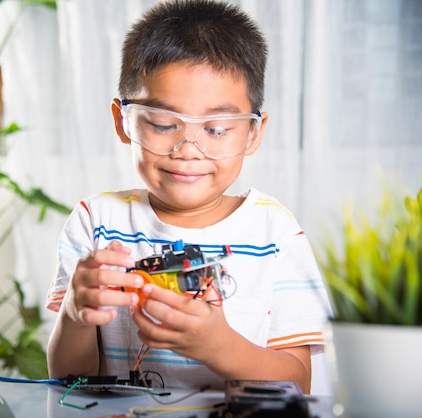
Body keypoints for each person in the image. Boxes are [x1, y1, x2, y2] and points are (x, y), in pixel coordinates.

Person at [45, 0, 330, 393]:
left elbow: (299, 381)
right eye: (164, 124)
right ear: (123, 122)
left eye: (216, 129)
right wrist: (76, 317)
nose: (189, 149)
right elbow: (70, 382)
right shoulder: (95, 221)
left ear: (252, 133)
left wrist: (219, 346)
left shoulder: (275, 233)